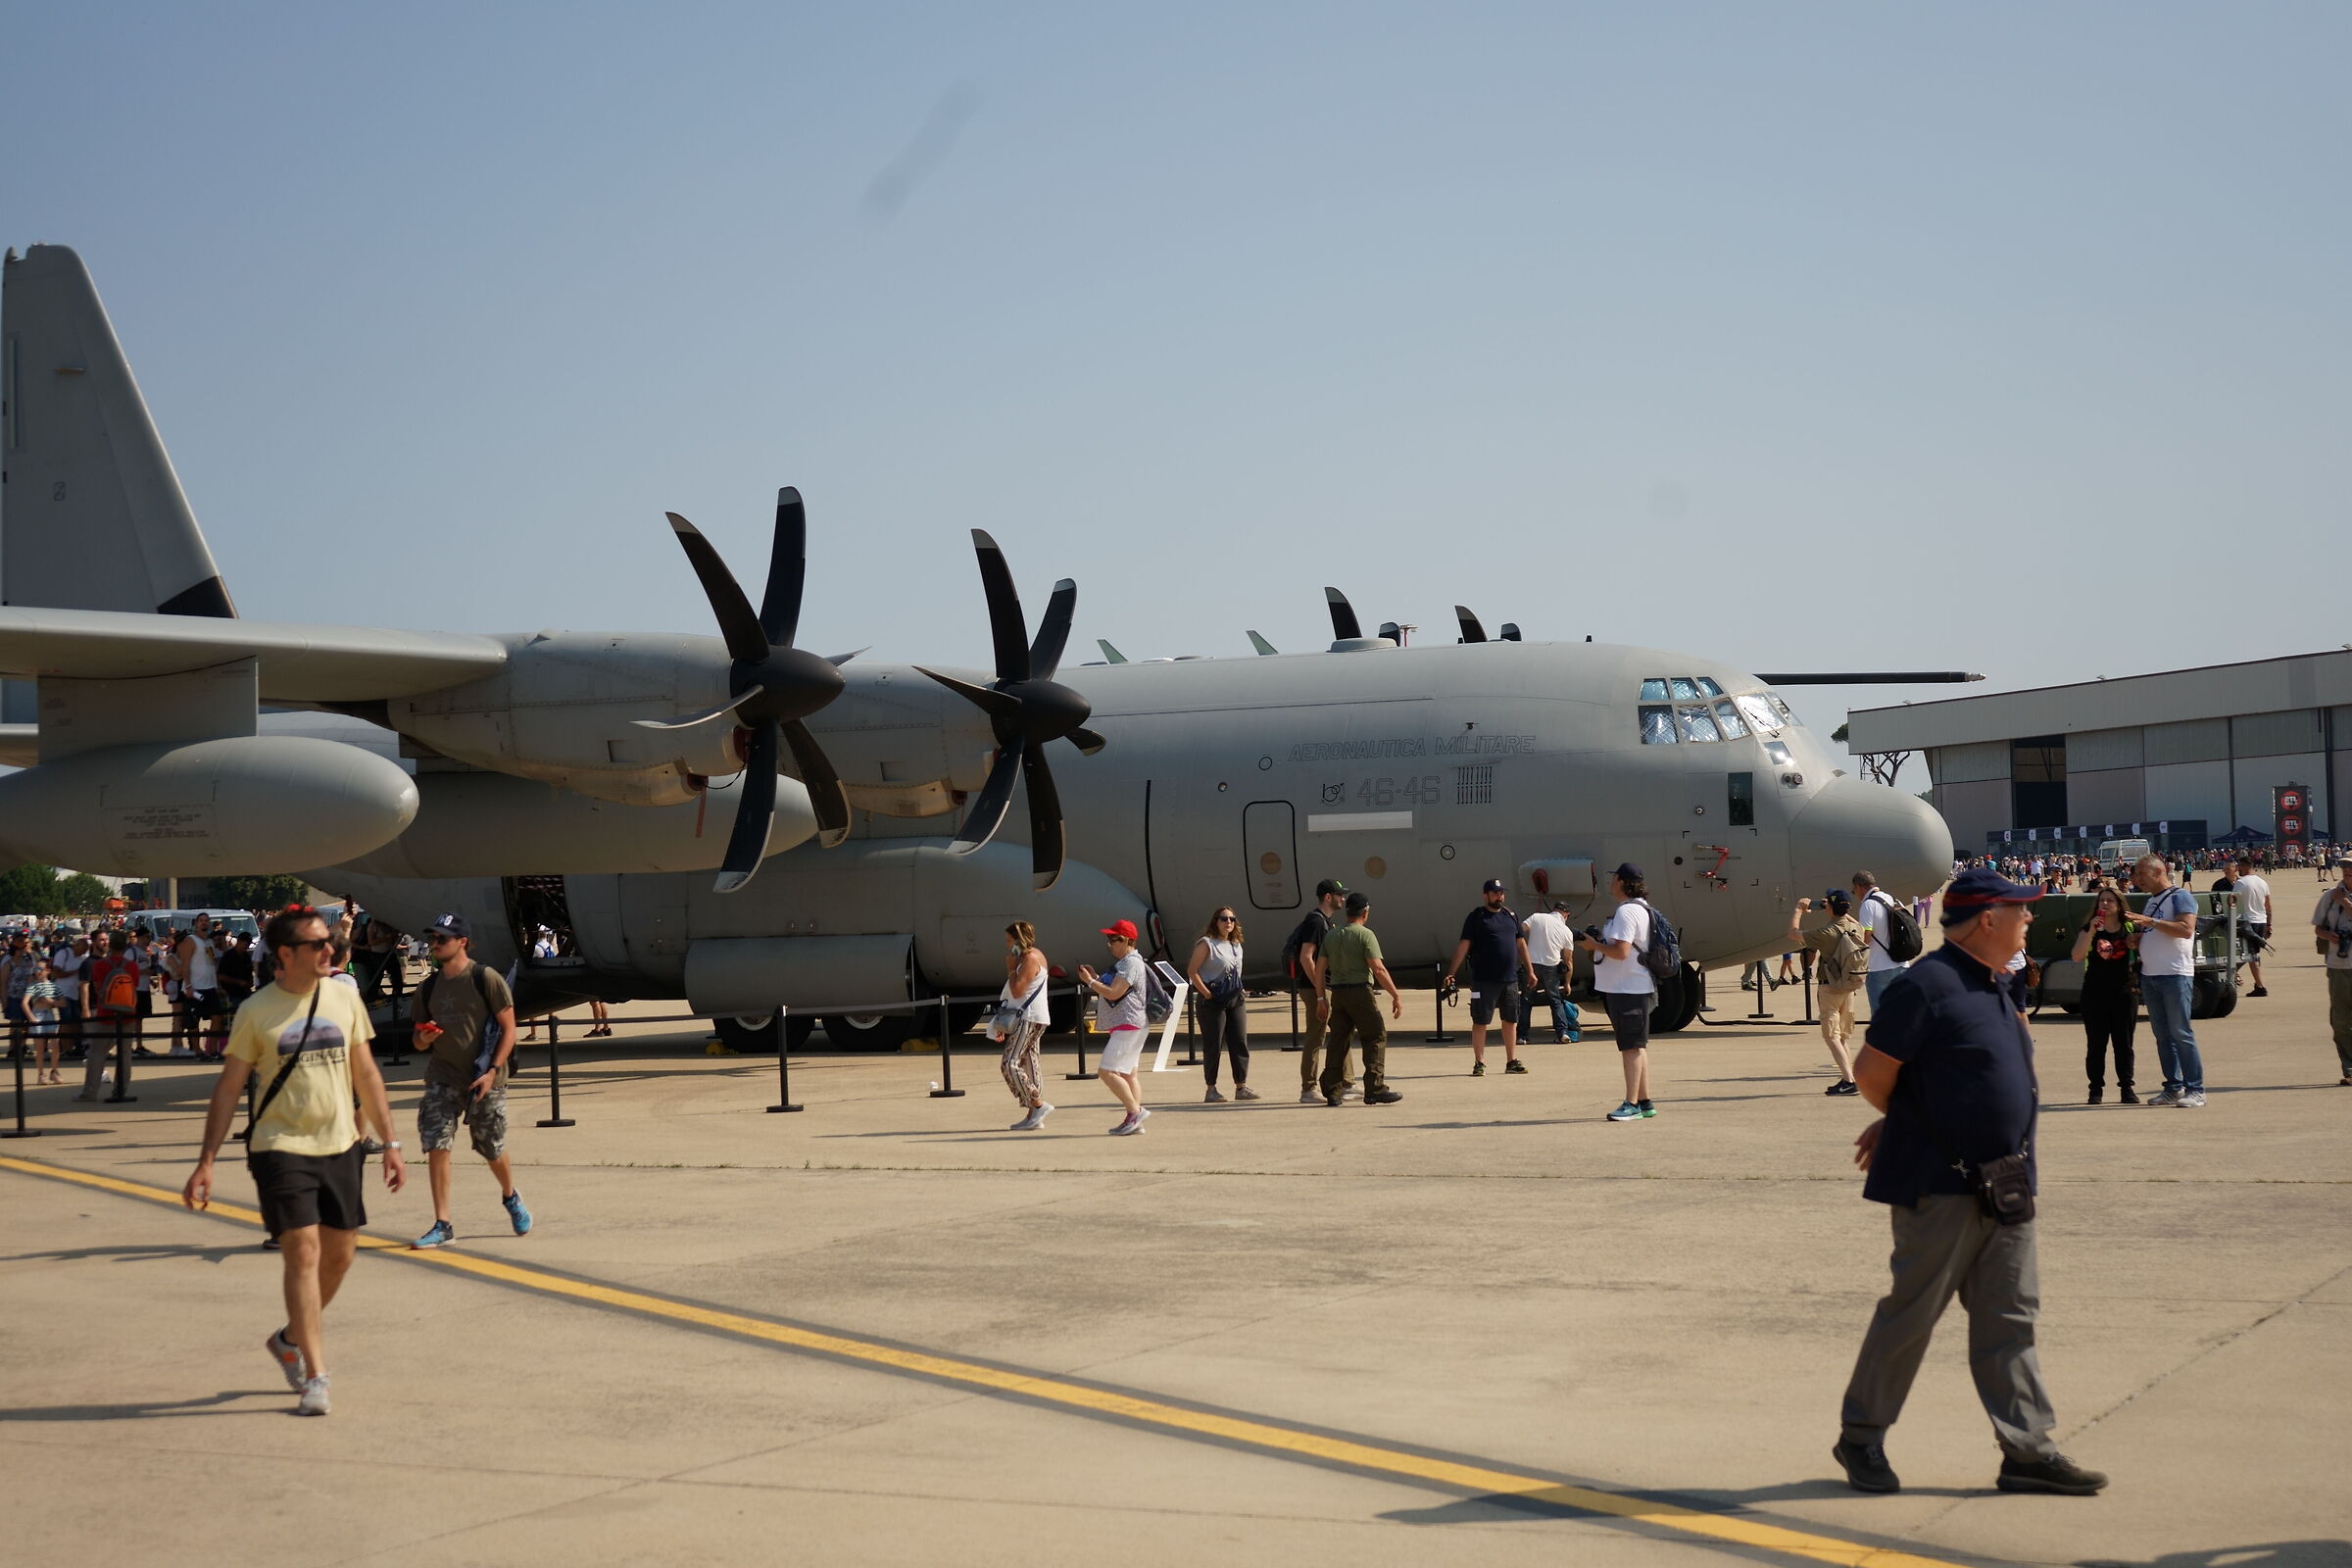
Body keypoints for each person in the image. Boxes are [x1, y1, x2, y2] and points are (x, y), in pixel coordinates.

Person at [1833, 866, 2107, 1498]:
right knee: (1912, 1315)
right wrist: (1903, 1123)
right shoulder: (1927, 986)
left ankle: (2027, 1452)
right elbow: (1874, 1073)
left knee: (2010, 1317)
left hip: (2007, 1182)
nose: (2031, 920)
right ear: (1988, 918)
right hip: (1941, 1185)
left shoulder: (1999, 985)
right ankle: (1861, 1435)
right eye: (2023, 911)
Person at [182, 906, 404, 1416]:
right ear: (286, 954)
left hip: (340, 1143)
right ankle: (315, 1374)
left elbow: (366, 1074)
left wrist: (390, 1144)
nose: (331, 951)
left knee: (340, 1255)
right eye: (318, 945)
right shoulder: (257, 1011)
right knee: (302, 1252)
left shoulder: (345, 998)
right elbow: (229, 1087)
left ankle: (287, 1337)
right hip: (279, 1147)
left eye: (329, 943)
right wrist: (206, 1161)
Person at [406, 912, 531, 1248]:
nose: (434, 945)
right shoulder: (428, 986)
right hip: (443, 1076)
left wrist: (492, 1071)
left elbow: (509, 1028)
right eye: (432, 939)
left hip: (483, 1077)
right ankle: (443, 1223)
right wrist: (425, 1039)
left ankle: (510, 1195)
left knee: (490, 1146)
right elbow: (417, 1040)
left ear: (462, 942)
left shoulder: (485, 978)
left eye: (441, 939)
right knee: (436, 1143)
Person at [1581, 863, 1659, 1121]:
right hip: (1632, 986)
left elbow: (1621, 951)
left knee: (1631, 1048)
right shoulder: (1641, 908)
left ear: (1623, 883)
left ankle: (1631, 1104)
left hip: (1628, 988)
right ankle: (1645, 1102)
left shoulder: (1626, 912)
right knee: (1637, 1046)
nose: (1610, 882)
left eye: (1613, 878)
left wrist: (1593, 945)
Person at [2126, 855, 2205, 1107]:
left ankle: (2196, 1089)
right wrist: (2138, 938)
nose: (2136, 879)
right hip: (2152, 975)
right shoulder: (2152, 902)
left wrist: (2150, 922)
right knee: (2162, 1035)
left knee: (2181, 1033)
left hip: (2175, 974)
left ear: (2158, 872)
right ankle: (2173, 1086)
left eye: (2141, 874)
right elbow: (2155, 931)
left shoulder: (2179, 896)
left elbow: (2185, 929)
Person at [1313, 892, 1403, 1105]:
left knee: (1339, 1040)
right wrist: (1395, 995)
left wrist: (1320, 998)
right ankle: (1375, 1088)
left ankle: (1332, 1091)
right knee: (1375, 1036)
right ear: (1366, 912)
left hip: (1338, 993)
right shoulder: (1365, 935)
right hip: (1360, 992)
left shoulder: (1332, 935)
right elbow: (1378, 969)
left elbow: (1319, 970)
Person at [1442, 878, 1539, 1075]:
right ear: (1485, 895)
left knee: (1511, 1020)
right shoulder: (1476, 918)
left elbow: (1521, 944)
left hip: (1509, 979)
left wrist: (1530, 970)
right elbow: (1464, 945)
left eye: (1502, 893)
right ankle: (1480, 1062)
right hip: (1484, 980)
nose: (1500, 896)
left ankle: (1511, 1061)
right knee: (1481, 1021)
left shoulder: (1511, 916)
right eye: (1495, 893)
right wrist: (1451, 972)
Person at [1786, 891, 1866, 1095]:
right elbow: (1855, 922)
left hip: (1830, 987)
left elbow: (1793, 934)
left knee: (1831, 1036)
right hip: (1849, 986)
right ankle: (1849, 1077)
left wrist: (1798, 910)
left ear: (1830, 908)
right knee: (1842, 1037)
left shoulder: (1826, 933)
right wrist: (1837, 910)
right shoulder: (1854, 928)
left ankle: (1849, 1081)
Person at [1284, 880, 1353, 1105]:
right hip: (1316, 988)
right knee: (1316, 1037)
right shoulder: (1315, 922)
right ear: (1327, 897)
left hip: (1325, 987)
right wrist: (1320, 991)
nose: (1342, 898)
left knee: (1342, 1031)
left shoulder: (1325, 921)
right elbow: (1306, 956)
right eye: (1339, 895)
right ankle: (1308, 1088)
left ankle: (1347, 1083)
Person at [2070, 882, 2139, 1104]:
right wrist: (2091, 930)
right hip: (2094, 994)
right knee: (2096, 1045)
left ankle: (2127, 1089)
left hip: (2124, 993)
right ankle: (2095, 1090)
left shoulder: (2129, 928)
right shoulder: (2088, 929)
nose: (2106, 904)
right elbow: (2077, 956)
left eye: (2110, 900)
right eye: (2102, 901)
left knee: (2124, 1045)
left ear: (2119, 905)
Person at [1080, 919, 1152, 1135]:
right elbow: (1113, 988)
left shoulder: (1130, 963)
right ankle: (1133, 1119)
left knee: (1107, 1071)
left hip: (1128, 1025)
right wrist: (1095, 978)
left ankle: (1135, 1111)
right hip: (1132, 1025)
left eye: (1115, 939)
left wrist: (1090, 983)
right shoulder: (1126, 963)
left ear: (1128, 941)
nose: (1110, 944)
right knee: (1129, 1075)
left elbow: (1114, 992)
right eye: (1108, 940)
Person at [1186, 907, 1256, 1102]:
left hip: (1235, 999)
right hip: (1213, 1001)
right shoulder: (1207, 943)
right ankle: (1211, 1088)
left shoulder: (1236, 944)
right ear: (1215, 921)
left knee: (1240, 1041)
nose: (1228, 922)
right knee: (1213, 1044)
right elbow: (1192, 971)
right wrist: (1206, 993)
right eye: (1224, 919)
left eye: (1232, 919)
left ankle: (1241, 1086)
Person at [993, 920, 1054, 1130]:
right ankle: (1033, 1115)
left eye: (1010, 940)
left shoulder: (1030, 958)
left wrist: (1011, 970)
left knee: (1009, 1063)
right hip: (1034, 1017)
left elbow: (1018, 991)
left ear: (1019, 939)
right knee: (1030, 1062)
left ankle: (1037, 1104)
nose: (1008, 945)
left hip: (1029, 1017)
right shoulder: (1030, 956)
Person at [74, 929, 143, 1102]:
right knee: (125, 1055)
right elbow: (134, 987)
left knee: (97, 1054)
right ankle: (120, 1090)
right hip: (127, 1013)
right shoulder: (132, 966)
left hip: (106, 1012)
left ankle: (90, 1092)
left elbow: (97, 988)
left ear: (110, 945)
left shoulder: (100, 965)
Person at [2313, 854, 2352, 1086]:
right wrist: (2330, 935)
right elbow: (2318, 928)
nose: (2347, 870)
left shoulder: (2338, 898)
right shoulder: (2329, 896)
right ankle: (2349, 1068)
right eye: (2344, 867)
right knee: (2340, 1019)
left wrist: (2345, 903)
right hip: (2338, 966)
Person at [1520, 898, 1581, 1044]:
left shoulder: (1537, 917)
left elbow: (1519, 932)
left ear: (1553, 909)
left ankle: (1522, 1036)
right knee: (1555, 1001)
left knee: (1526, 1001)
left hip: (1531, 965)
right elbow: (1568, 961)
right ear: (1566, 915)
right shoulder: (1567, 931)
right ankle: (1562, 1034)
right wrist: (1567, 983)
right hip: (1551, 967)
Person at [1854, 871, 1913, 1014]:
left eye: (1853, 890)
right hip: (1901, 964)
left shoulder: (1868, 905)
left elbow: (1866, 936)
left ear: (1859, 887)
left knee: (1881, 1015)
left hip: (1878, 967)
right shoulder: (1892, 899)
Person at [177, 914, 224, 1059]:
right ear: (196, 924)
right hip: (195, 987)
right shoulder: (190, 941)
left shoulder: (210, 942)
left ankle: (212, 1049)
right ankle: (197, 1051)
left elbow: (212, 964)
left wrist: (218, 986)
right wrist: (188, 985)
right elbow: (184, 964)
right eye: (201, 921)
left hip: (210, 986)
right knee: (194, 1021)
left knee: (217, 1019)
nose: (204, 923)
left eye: (206, 921)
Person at [2230, 858, 2272, 998]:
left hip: (2247, 921)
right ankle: (2258, 984)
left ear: (2246, 866)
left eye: (2240, 866)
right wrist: (2269, 924)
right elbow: (2268, 905)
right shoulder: (2262, 882)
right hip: (2261, 920)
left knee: (2248, 953)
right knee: (2253, 953)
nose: (2238, 869)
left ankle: (2259, 985)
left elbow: (2232, 902)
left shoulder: (2240, 883)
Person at [24, 956, 65, 1085]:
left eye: (40, 969)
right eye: (36, 969)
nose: (38, 972)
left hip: (49, 1015)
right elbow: (24, 1003)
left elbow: (63, 1002)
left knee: (55, 1045)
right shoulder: (33, 986)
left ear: (47, 971)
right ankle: (41, 1074)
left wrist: (51, 1002)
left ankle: (54, 1071)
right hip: (38, 1015)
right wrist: (31, 1017)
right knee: (40, 1047)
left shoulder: (53, 986)